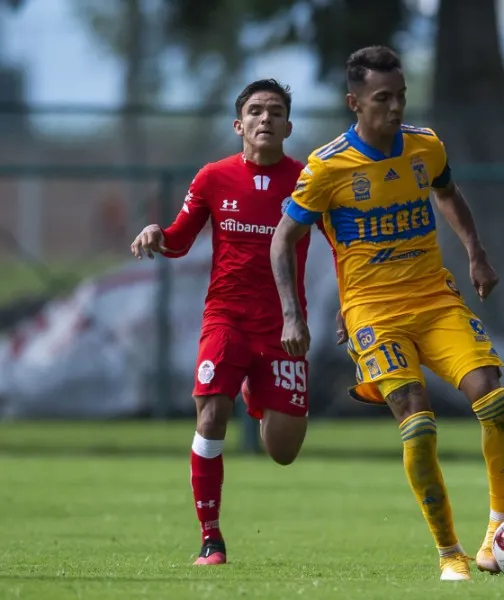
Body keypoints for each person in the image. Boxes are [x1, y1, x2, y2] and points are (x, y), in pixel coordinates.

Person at [269, 46, 504, 582]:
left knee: (492, 397)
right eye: (383, 98)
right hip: (373, 314)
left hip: (435, 300)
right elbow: (283, 239)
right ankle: (450, 554)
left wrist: (475, 251)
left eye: (401, 95)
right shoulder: (328, 166)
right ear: (354, 102)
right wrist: (293, 314)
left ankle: (499, 531)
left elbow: (448, 193)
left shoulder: (425, 147)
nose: (396, 107)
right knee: (419, 422)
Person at [130, 79, 311, 566]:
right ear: (239, 125)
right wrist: (156, 234)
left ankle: (258, 393)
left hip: (283, 327)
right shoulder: (213, 177)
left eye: (275, 111)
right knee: (210, 417)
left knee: (284, 450)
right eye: (255, 111)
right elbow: (179, 240)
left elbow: (341, 246)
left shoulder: (310, 180)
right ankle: (212, 540)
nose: (265, 118)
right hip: (226, 319)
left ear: (289, 126)